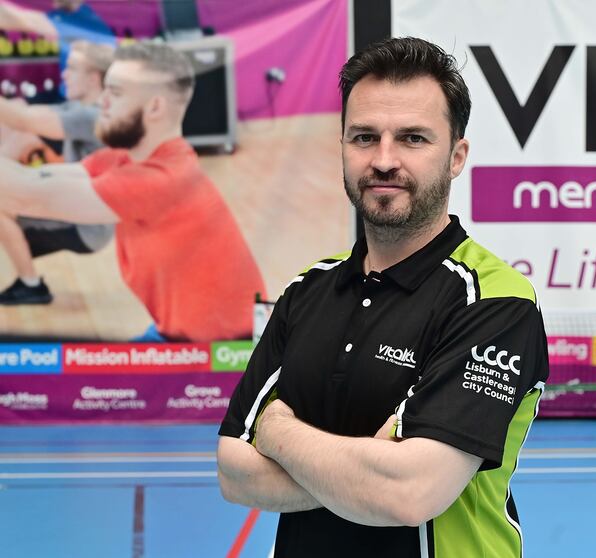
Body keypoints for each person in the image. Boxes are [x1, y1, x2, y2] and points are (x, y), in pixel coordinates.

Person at [217, 37, 549, 557]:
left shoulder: (495, 301)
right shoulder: (307, 289)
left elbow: (409, 493)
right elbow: (235, 473)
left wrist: (279, 431)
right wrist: (366, 471)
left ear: (456, 156)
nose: (385, 160)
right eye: (365, 137)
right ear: (344, 147)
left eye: (413, 138)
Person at [0, 41, 265, 342]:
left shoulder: (161, 180)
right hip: (180, 333)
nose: (102, 102)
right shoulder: (124, 158)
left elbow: (25, 194)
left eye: (115, 92)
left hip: (229, 356)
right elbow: (32, 180)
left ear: (154, 107)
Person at [0, 39, 114, 304]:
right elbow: (23, 114)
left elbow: (22, 118)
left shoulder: (90, 117)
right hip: (80, 207)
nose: (64, 73)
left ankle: (31, 285)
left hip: (87, 227)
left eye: (72, 68)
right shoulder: (83, 108)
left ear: (94, 77)